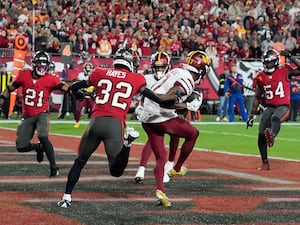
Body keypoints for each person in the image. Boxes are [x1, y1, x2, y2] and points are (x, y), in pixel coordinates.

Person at [57, 47, 177, 208]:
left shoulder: (100, 72)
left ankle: (66, 197)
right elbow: (157, 99)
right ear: (131, 62)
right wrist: (174, 102)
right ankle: (127, 144)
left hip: (95, 122)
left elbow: (73, 88)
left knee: (80, 161)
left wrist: (80, 94)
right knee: (116, 170)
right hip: (114, 124)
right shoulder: (136, 78)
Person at [138, 50, 210, 207]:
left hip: (146, 118)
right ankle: (176, 168)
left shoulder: (177, 71)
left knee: (161, 158)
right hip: (160, 116)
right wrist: (181, 105)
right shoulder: (188, 80)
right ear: (203, 70)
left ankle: (160, 191)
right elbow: (167, 98)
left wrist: (182, 105)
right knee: (193, 133)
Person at [0, 51, 70, 176]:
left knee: (43, 136)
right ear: (34, 64)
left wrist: (78, 91)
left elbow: (66, 88)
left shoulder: (51, 78)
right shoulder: (24, 75)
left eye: (44, 64)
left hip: (42, 113)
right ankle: (38, 148)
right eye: (39, 63)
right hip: (27, 115)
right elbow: (9, 88)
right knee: (21, 146)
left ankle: (54, 167)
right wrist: (1, 101)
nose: (42, 66)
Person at [246, 49, 300, 170]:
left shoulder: (284, 70)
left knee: (275, 119)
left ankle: (272, 135)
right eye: (266, 62)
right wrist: (251, 115)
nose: (268, 65)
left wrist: (291, 57)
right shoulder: (261, 76)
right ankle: (265, 163)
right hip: (270, 107)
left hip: (283, 106)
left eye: (270, 62)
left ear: (275, 62)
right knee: (260, 136)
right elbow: (257, 97)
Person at [134, 51, 180, 184]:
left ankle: (169, 165)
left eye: (162, 67)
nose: (159, 69)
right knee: (153, 140)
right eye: (157, 66)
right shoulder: (146, 78)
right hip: (152, 113)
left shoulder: (172, 78)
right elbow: (138, 94)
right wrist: (139, 105)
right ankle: (142, 168)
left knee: (175, 136)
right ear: (153, 66)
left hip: (168, 113)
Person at [73, 62, 95, 128]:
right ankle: (77, 122)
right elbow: (78, 84)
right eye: (87, 69)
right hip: (83, 95)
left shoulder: (93, 75)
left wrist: (93, 92)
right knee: (78, 109)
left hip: (90, 95)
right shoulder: (80, 75)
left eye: (89, 69)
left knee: (93, 110)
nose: (88, 71)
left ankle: (92, 123)